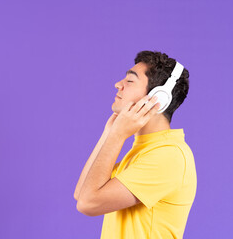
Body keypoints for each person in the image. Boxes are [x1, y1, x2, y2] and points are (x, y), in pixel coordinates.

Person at [73, 50, 197, 239]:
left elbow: (88, 203)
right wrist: (109, 133)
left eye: (130, 81)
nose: (118, 85)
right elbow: (81, 193)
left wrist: (117, 136)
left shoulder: (169, 156)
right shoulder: (144, 150)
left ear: (158, 98)